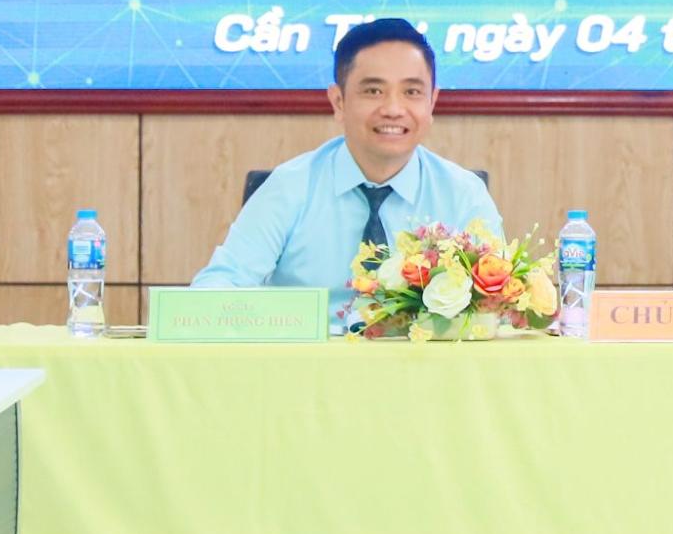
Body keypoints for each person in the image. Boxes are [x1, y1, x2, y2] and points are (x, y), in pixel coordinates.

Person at [193, 17, 501, 316]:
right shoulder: (290, 187)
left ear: (432, 102)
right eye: (373, 91)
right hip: (307, 351)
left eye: (412, 92)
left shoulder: (463, 194)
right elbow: (220, 284)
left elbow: (499, 303)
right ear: (338, 101)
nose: (393, 109)